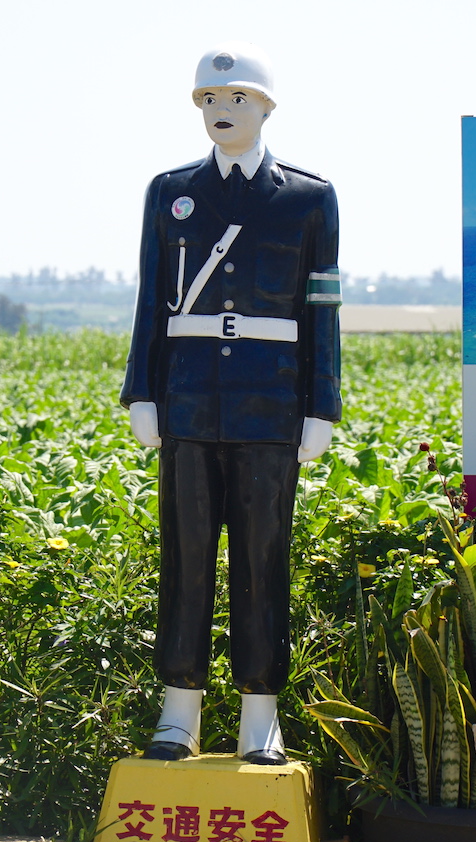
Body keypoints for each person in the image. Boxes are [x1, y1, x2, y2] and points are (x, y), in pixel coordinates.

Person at [120, 41, 341, 766]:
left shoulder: (308, 198)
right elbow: (151, 299)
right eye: (210, 100)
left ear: (267, 107)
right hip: (188, 403)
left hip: (271, 410)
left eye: (237, 99)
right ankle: (177, 711)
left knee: (263, 558)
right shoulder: (170, 191)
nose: (221, 111)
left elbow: (322, 310)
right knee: (183, 558)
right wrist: (142, 389)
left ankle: (260, 714)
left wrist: (322, 406)